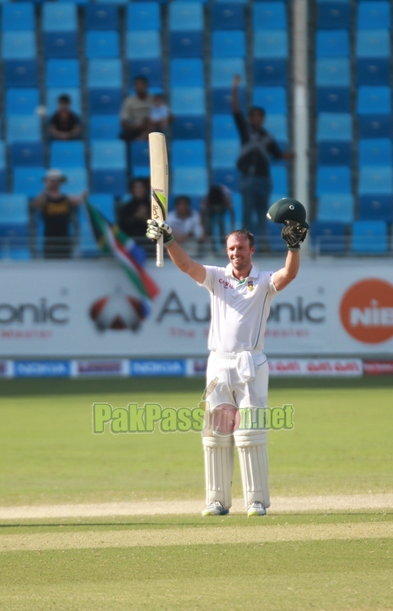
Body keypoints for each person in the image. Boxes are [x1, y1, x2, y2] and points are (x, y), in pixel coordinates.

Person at [146, 199, 308, 516]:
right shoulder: (216, 277)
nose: (236, 253)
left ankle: (256, 501)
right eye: (231, 249)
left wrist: (295, 248)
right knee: (217, 435)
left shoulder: (263, 282)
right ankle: (217, 501)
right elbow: (186, 265)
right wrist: (169, 241)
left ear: (252, 250)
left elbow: (289, 274)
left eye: (241, 248)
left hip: (251, 364)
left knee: (250, 435)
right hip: (218, 364)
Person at [231, 74, 294, 239]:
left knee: (262, 215)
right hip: (248, 178)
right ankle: (245, 244)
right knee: (247, 214)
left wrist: (298, 155)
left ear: (263, 119)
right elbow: (236, 112)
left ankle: (263, 244)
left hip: (263, 179)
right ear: (250, 118)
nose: (256, 119)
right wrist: (235, 87)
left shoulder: (268, 137)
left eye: (259, 116)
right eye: (253, 116)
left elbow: (278, 154)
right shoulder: (246, 131)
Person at [31, 169, 83, 259]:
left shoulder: (66, 198)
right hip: (50, 239)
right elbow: (36, 204)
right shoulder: (44, 198)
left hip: (64, 238)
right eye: (52, 180)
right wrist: (46, 188)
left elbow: (79, 201)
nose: (54, 183)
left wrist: (83, 196)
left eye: (56, 180)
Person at [117, 177, 152, 254]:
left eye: (141, 187)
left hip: (150, 246)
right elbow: (121, 228)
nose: (139, 190)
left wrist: (145, 218)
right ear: (132, 190)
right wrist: (136, 217)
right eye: (136, 187)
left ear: (146, 189)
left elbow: (159, 228)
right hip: (131, 247)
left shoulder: (153, 206)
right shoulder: (126, 207)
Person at [202, 184, 236, 252]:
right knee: (209, 223)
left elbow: (232, 215)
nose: (216, 208)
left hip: (222, 206)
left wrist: (232, 229)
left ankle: (223, 244)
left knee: (220, 221)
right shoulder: (207, 201)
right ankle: (212, 246)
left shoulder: (227, 199)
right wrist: (205, 230)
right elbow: (203, 214)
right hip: (210, 209)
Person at [119, 75, 154, 143]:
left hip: (151, 127)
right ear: (134, 86)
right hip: (135, 127)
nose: (140, 86)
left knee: (158, 134)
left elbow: (167, 116)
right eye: (137, 84)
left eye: (142, 84)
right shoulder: (129, 101)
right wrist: (138, 127)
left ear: (147, 86)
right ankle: (127, 153)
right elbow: (124, 122)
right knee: (124, 136)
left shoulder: (154, 100)